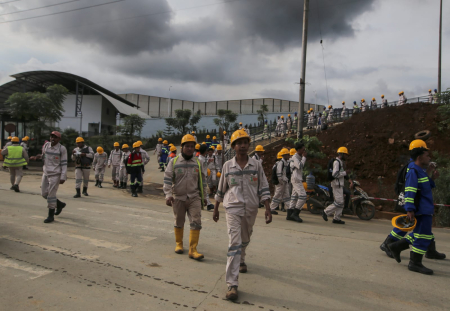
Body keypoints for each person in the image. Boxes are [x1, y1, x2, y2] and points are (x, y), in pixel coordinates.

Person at [213, 129, 272, 301]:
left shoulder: (256, 165)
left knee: (245, 238)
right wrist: (216, 208)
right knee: (234, 242)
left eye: (245, 142)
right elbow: (221, 188)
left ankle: (242, 258)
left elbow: (263, 187)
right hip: (232, 207)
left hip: (252, 208)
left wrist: (267, 208)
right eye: (239, 143)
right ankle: (232, 284)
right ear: (233, 146)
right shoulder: (227, 166)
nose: (243, 146)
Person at [380, 140, 446, 261]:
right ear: (419, 155)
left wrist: (430, 176)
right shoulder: (413, 169)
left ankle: (430, 250)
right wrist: (410, 208)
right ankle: (390, 244)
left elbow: (423, 186)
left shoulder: (418, 168)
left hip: (420, 206)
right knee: (410, 227)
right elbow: (412, 190)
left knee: (422, 229)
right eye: (427, 154)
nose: (429, 157)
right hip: (416, 205)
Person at [163, 134, 207, 260]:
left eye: (192, 146)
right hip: (178, 197)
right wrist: (168, 195)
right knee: (179, 221)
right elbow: (167, 179)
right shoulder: (174, 161)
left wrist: (204, 196)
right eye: (187, 146)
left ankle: (193, 250)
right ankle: (179, 244)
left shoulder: (198, 163)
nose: (189, 148)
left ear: (194, 148)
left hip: (194, 197)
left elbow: (203, 180)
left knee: (196, 222)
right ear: (181, 147)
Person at [37, 131, 68, 223]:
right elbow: (44, 156)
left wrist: (63, 176)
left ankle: (51, 215)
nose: (52, 139)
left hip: (55, 174)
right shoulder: (46, 145)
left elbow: (64, 163)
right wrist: (38, 157)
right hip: (46, 173)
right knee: (44, 193)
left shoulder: (62, 149)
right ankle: (59, 204)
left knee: (51, 195)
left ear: (59, 139)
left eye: (55, 137)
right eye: (51, 137)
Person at [322, 147, 352, 225]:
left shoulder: (340, 162)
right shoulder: (337, 162)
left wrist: (346, 176)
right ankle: (326, 212)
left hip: (339, 184)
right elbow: (335, 174)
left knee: (341, 202)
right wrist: (345, 173)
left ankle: (337, 218)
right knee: (339, 202)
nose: (346, 156)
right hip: (336, 184)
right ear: (341, 154)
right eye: (345, 154)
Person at [288, 142, 307, 223]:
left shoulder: (298, 156)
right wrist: (304, 158)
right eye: (303, 149)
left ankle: (289, 214)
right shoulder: (295, 157)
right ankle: (295, 213)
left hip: (296, 178)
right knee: (303, 196)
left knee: (294, 196)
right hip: (296, 179)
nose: (304, 151)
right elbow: (300, 166)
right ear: (299, 150)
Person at [270, 148, 291, 215]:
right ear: (284, 155)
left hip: (283, 182)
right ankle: (271, 208)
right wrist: (281, 181)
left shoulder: (285, 162)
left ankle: (289, 208)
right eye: (287, 154)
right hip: (281, 183)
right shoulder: (281, 163)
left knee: (286, 195)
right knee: (277, 195)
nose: (289, 156)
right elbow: (279, 173)